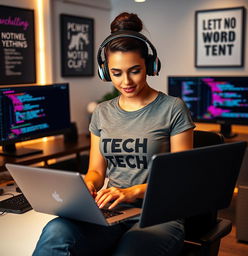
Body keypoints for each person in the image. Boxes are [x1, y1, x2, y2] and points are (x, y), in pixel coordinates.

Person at [33, 12, 195, 256]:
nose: (126, 81)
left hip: (158, 214)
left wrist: (131, 192)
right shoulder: (102, 112)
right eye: (116, 73)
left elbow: (180, 180)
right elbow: (97, 171)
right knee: (56, 232)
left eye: (135, 71)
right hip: (112, 210)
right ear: (105, 71)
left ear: (150, 66)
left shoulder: (173, 108)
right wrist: (87, 186)